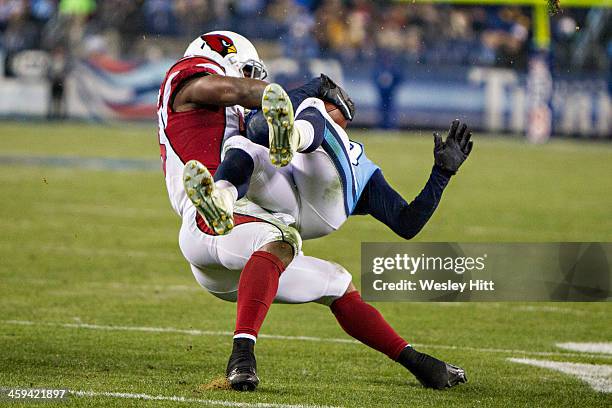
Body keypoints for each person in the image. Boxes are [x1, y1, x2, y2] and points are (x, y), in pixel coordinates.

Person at [160, 30, 467, 392]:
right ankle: (241, 352)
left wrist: (441, 174)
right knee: (275, 216)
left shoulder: (357, 166)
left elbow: (406, 222)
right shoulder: (194, 80)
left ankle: (420, 363)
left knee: (335, 280)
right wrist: (307, 90)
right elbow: (239, 94)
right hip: (232, 224)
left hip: (227, 248)